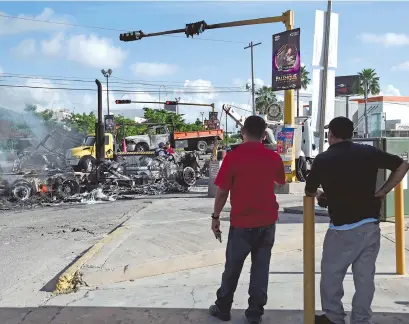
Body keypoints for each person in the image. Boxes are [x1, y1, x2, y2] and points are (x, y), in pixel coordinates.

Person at [305, 117, 409, 324]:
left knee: (332, 275)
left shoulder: (324, 159)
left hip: (342, 228)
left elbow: (309, 190)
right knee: (364, 279)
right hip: (370, 224)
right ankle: (361, 319)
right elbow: (402, 165)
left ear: (331, 135)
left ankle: (334, 317)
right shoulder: (368, 151)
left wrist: (320, 193)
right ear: (351, 134)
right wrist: (383, 191)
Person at [209, 115, 286, 324]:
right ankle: (254, 314)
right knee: (260, 268)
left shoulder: (233, 157)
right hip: (267, 222)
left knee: (232, 267)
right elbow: (280, 182)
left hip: (242, 223)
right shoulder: (273, 157)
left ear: (243, 132)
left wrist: (215, 217)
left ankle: (223, 308)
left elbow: (222, 191)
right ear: (264, 135)